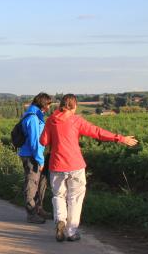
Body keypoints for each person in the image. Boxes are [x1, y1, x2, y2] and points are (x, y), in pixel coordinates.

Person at [40, 94, 138, 242]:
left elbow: (43, 140)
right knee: (75, 198)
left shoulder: (51, 121)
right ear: (74, 106)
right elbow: (97, 132)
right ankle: (71, 231)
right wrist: (120, 138)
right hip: (75, 165)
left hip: (56, 165)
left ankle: (60, 219)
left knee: (58, 195)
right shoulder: (76, 120)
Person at [18, 92, 53, 224]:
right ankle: (31, 213)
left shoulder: (35, 114)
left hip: (34, 154)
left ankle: (38, 208)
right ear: (43, 104)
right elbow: (34, 141)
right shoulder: (33, 117)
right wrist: (40, 159)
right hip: (32, 156)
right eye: (48, 104)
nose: (49, 107)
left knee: (41, 182)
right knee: (31, 184)